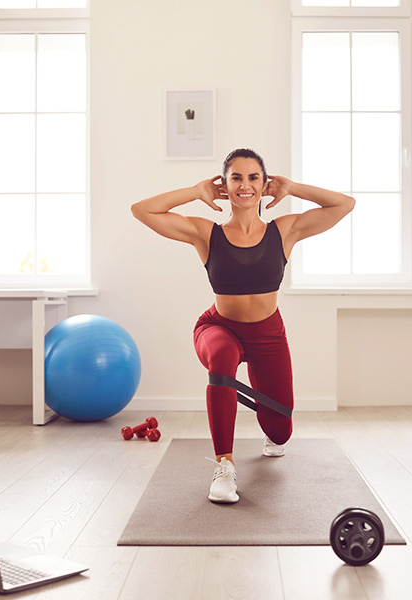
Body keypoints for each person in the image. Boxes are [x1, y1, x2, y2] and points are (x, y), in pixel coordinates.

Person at [131, 148, 354, 503]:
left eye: (254, 177)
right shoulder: (207, 234)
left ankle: (272, 428)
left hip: (268, 334)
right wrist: (196, 191)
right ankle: (224, 466)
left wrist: (292, 187)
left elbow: (344, 204)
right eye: (236, 177)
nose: (245, 185)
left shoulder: (285, 230)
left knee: (281, 434)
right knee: (221, 358)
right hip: (219, 328)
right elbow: (142, 210)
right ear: (225, 184)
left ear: (266, 185)